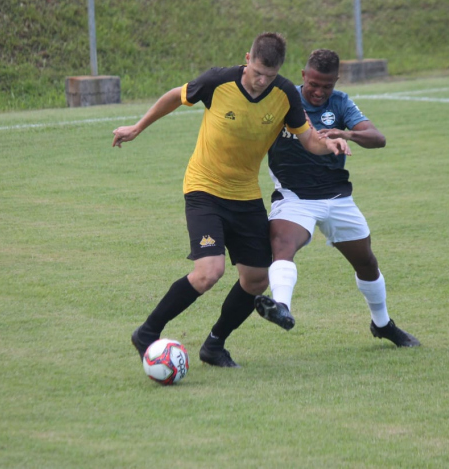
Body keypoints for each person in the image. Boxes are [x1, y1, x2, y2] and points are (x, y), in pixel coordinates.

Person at [113, 34, 350, 368]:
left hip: (245, 194)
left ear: (279, 71)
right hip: (204, 189)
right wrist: (138, 127)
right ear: (247, 58)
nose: (261, 80)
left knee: (256, 278)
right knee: (209, 272)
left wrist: (331, 143)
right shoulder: (218, 81)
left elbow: (308, 139)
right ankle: (147, 332)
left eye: (269, 75)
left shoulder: (284, 95)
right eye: (257, 71)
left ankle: (214, 345)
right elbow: (175, 97)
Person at [253, 48, 420, 347]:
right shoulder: (283, 98)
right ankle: (282, 307)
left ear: (336, 82)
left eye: (326, 86)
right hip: (295, 198)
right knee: (282, 245)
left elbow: (378, 138)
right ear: (303, 76)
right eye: (313, 84)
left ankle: (382, 324)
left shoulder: (340, 102)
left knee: (366, 262)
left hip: (338, 198)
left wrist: (347, 134)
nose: (319, 91)